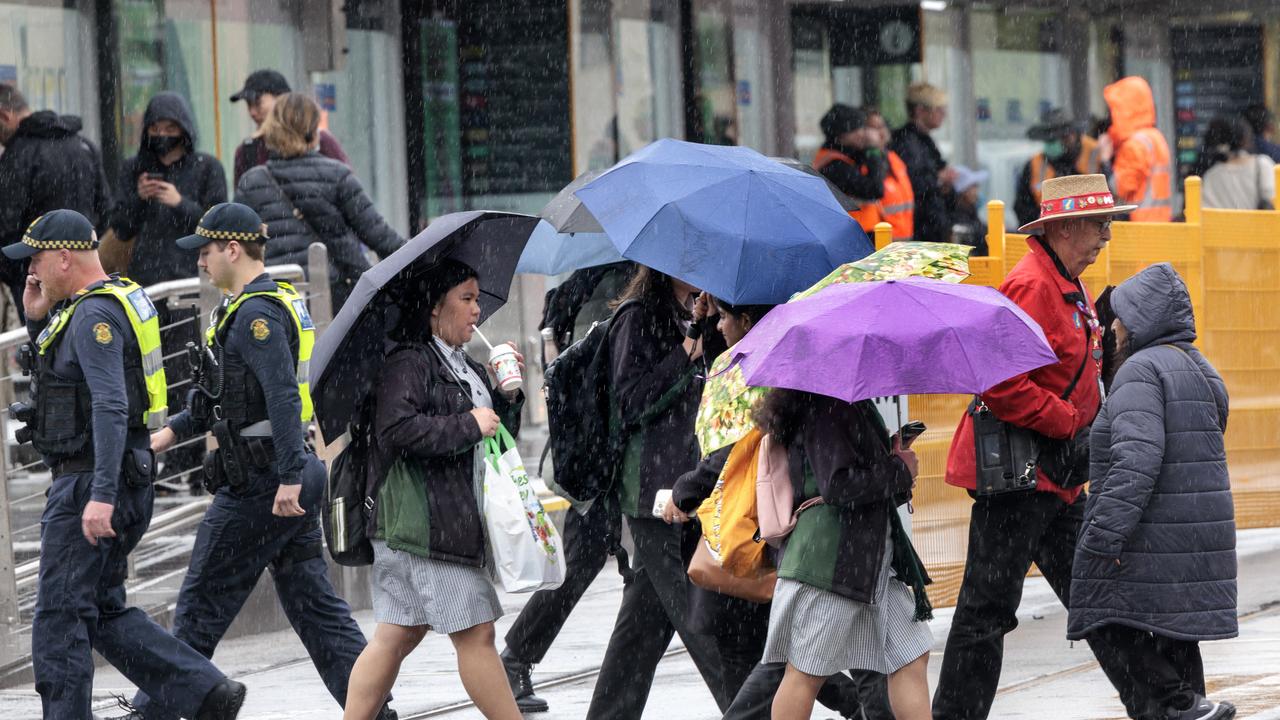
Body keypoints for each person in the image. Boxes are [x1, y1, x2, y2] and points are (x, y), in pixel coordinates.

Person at [119, 203, 394, 720]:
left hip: (265, 481)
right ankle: (375, 710)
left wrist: (288, 477)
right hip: (283, 474)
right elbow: (215, 400)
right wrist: (166, 436)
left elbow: (283, 400)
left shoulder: (257, 315)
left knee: (200, 604)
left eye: (204, 251)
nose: (199, 262)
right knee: (315, 608)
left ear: (232, 248)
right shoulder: (255, 305)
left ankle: (151, 714)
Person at [4, 210, 244, 720]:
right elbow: (70, 376)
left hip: (93, 482)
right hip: (123, 475)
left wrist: (100, 496)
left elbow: (111, 405)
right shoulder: (116, 298)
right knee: (104, 612)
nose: (31, 272)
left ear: (63, 257)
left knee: (59, 621)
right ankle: (206, 691)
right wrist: (34, 317)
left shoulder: (94, 316)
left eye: (36, 261)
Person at [932, 174, 1140, 720]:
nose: (1106, 236)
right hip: (1026, 479)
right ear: (1066, 227)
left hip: (1052, 477)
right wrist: (1070, 420)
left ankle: (1163, 703)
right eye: (1100, 224)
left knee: (1095, 597)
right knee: (988, 610)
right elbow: (1000, 382)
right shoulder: (1033, 285)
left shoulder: (1062, 282)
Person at [666, 299, 896, 720]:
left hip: (793, 535)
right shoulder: (769, 373)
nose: (717, 326)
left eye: (723, 318)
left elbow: (735, 450)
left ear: (747, 320)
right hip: (807, 540)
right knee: (796, 661)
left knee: (796, 660)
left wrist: (686, 489)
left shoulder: (768, 374)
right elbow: (738, 450)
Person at [343, 258, 526, 720]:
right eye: (465, 299)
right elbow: (397, 430)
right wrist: (467, 423)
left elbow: (495, 438)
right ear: (433, 309)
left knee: (397, 634)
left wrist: (507, 396)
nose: (476, 311)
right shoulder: (410, 361)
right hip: (423, 523)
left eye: (477, 300)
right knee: (477, 633)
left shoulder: (464, 365)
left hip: (435, 520)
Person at [1068, 263, 1238, 720]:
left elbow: (1136, 460)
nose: (1114, 326)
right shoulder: (1200, 368)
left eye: (1121, 317)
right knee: (1177, 642)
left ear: (1141, 320)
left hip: (1150, 536)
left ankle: (1181, 708)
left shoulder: (1140, 372)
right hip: (1194, 539)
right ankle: (1192, 709)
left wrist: (1104, 536)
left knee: (1107, 619)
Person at [586, 267, 732, 719]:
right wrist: (685, 351)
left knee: (642, 625)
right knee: (699, 617)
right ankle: (748, 710)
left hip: (690, 487)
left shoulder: (703, 313)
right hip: (652, 491)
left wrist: (707, 326)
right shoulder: (638, 315)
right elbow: (630, 402)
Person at [499, 260, 636, 714]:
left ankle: (517, 658)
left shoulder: (583, 281)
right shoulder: (622, 285)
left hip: (596, 454)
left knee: (605, 565)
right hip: (608, 456)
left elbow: (556, 353)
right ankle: (515, 658)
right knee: (589, 560)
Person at [752, 389, 933, 720]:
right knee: (806, 674)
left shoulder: (834, 400)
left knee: (911, 654)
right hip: (832, 559)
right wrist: (898, 470)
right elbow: (837, 486)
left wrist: (893, 463)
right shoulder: (827, 403)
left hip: (867, 557)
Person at [109, 90, 228, 493]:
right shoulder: (134, 170)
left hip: (192, 286)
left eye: (170, 129)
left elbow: (217, 222)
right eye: (155, 129)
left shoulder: (207, 168)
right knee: (149, 377)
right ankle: (156, 460)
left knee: (188, 373)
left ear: (184, 129)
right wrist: (138, 200)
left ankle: (187, 460)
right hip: (147, 287)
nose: (162, 136)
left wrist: (180, 203)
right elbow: (121, 228)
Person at [235, 92, 404, 312]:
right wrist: (430, 259)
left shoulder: (252, 182)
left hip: (275, 299)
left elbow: (236, 246)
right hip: (336, 296)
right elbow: (380, 236)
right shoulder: (337, 175)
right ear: (313, 131)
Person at [0, 84, 111, 319]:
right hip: (85, 279)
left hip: (40, 287)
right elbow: (105, 210)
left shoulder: (17, 155)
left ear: (4, 116)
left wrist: (24, 274)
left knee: (47, 349)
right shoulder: (83, 145)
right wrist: (84, 255)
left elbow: (6, 225)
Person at [229, 69, 349, 185]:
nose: (252, 112)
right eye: (248, 104)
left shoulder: (320, 140)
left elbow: (347, 188)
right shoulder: (248, 149)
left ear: (282, 99)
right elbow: (241, 200)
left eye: (258, 102)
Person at [1014, 108, 1105, 229]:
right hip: (1049, 234)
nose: (1051, 144)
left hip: (1093, 230)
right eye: (1048, 140)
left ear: (1073, 135)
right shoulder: (1034, 165)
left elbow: (1113, 201)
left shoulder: (1097, 155)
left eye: (1054, 139)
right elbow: (1022, 209)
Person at [1100, 77, 1172, 222]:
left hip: (1139, 229)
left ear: (1125, 109)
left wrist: (1105, 160)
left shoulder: (1134, 145)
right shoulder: (1155, 137)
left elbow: (1117, 188)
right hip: (1160, 226)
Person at [892, 83, 954, 243]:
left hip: (931, 224)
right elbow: (915, 182)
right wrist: (939, 179)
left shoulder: (924, 140)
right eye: (938, 109)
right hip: (920, 227)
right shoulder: (907, 141)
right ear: (920, 110)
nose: (943, 114)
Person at [813, 104, 888, 229]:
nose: (862, 134)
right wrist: (873, 152)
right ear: (840, 135)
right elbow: (875, 190)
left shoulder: (848, 155)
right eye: (855, 129)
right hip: (855, 234)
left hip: (859, 231)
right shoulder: (835, 165)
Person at [1199, 115, 1275, 210]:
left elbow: (1205, 212)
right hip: (1258, 225)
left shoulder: (1211, 176)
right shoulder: (1263, 165)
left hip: (1223, 225)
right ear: (1246, 139)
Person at [866, 108, 915, 242]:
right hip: (883, 246)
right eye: (874, 128)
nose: (881, 132)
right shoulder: (866, 164)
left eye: (881, 126)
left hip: (903, 244)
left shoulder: (894, 159)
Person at [948, 165, 989, 255]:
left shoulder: (970, 211)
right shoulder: (958, 216)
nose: (976, 191)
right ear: (963, 191)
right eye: (973, 187)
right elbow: (978, 236)